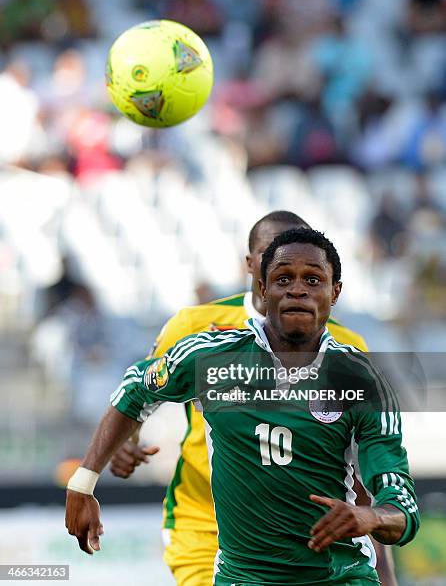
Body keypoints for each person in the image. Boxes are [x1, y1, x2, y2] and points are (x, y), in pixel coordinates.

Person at [65, 228, 419, 585]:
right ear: (263, 289)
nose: (298, 289)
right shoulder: (211, 356)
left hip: (341, 577)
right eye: (284, 278)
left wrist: (371, 518)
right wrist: (84, 480)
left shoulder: (361, 379)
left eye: (313, 279)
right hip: (242, 574)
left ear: (335, 292)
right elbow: (135, 389)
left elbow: (400, 504)